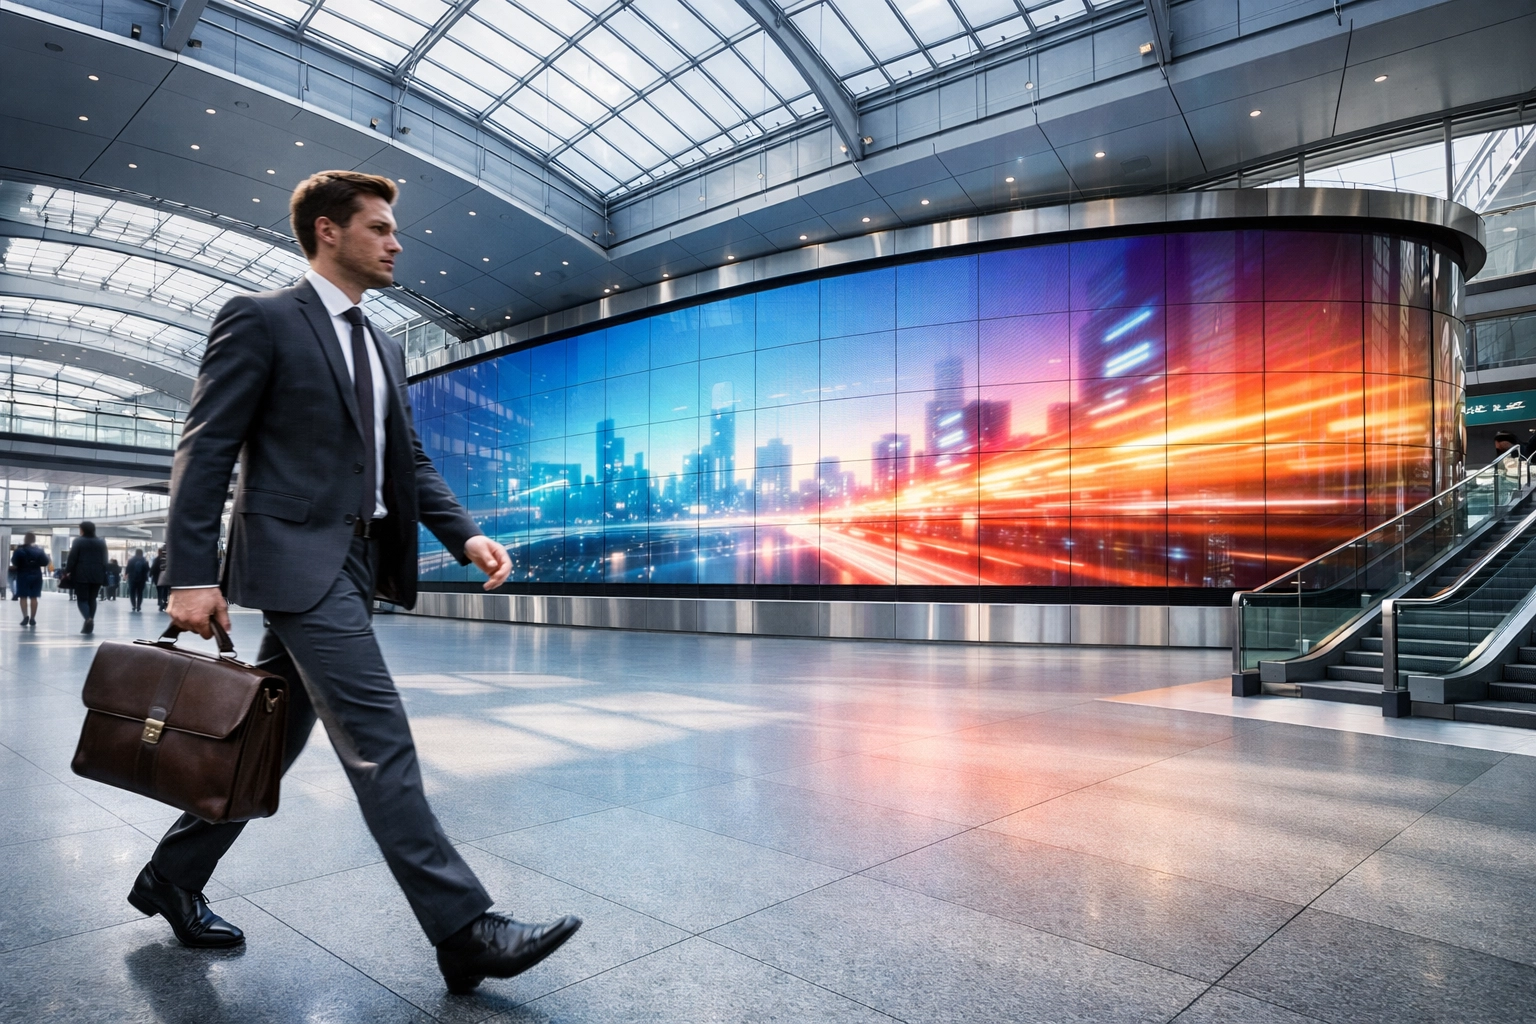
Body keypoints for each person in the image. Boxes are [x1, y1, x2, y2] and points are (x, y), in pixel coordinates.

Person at [136, 170, 579, 992]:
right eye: (379, 227)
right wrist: (190, 574)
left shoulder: (383, 342)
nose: (396, 241)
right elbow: (207, 448)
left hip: (356, 560)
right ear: (328, 232)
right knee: (380, 741)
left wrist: (467, 531)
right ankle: (462, 928)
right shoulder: (260, 319)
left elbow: (405, 460)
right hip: (296, 562)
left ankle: (172, 875)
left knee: (263, 741)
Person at [64, 521, 108, 634]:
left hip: (81, 574)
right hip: (97, 574)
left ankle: (88, 619)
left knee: (82, 599)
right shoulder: (101, 542)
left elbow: (72, 558)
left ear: (82, 530)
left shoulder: (78, 541)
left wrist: (67, 571)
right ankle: (89, 623)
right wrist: (104, 572)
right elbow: (105, 559)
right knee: (92, 599)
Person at [10, 533, 48, 626]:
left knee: (23, 596)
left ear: (25, 539)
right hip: (36, 575)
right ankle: (33, 619)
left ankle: (25, 617)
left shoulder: (19, 550)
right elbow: (45, 562)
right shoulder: (40, 550)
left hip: (23, 575)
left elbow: (14, 561)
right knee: (33, 597)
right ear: (34, 540)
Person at [125, 548, 149, 612]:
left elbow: (127, 569)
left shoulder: (131, 560)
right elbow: (147, 570)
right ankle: (138, 606)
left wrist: (126, 575)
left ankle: (133, 605)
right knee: (140, 593)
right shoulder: (144, 561)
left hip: (132, 578)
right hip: (142, 579)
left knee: (132, 593)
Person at [150, 546, 168, 612]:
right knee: (165, 591)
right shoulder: (168, 559)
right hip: (166, 579)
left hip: (158, 579)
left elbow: (153, 568)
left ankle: (161, 603)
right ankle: (165, 602)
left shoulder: (157, 559)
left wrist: (150, 574)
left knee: (160, 591)